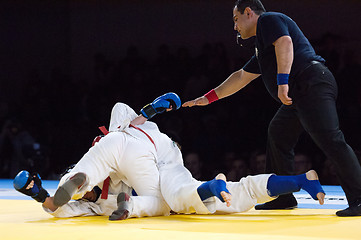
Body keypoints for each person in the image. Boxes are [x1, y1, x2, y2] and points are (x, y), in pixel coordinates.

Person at [14, 95, 325, 220]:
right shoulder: (108, 146)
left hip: (139, 153)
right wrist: (38, 192)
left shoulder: (103, 173)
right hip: (153, 144)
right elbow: (121, 110)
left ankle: (204, 190)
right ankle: (300, 180)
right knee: (173, 197)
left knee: (167, 202)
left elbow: (59, 210)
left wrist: (42, 195)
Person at [182, 0, 361, 216]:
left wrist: (282, 82)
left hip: (311, 83)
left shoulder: (268, 20)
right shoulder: (263, 45)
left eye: (236, 19)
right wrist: (207, 98)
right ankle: (283, 196)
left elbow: (285, 42)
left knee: (331, 139)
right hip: (299, 91)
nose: (235, 27)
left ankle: (359, 198)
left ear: (249, 12)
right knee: (278, 133)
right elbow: (240, 77)